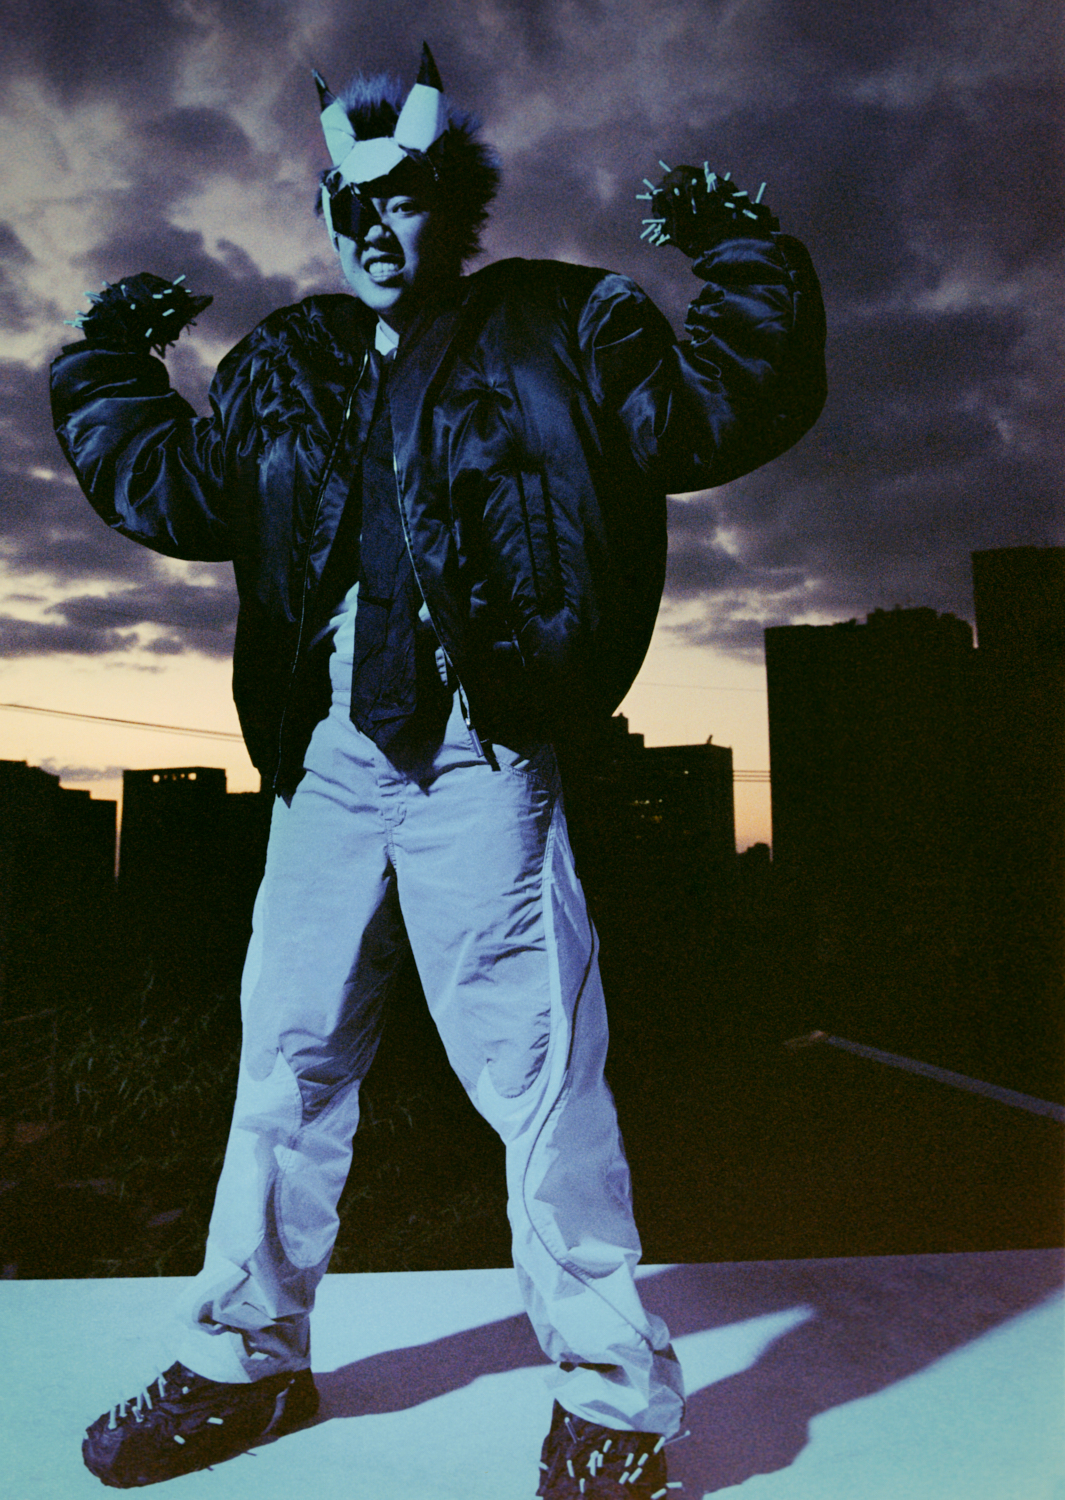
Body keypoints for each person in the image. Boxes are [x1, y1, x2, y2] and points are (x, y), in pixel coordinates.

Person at [50, 43, 825, 1496]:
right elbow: (184, 488)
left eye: (403, 202)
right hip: (327, 761)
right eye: (349, 210)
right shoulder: (283, 359)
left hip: (484, 751)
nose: (374, 232)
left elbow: (707, 413)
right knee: (283, 1067)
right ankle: (244, 1361)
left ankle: (613, 1396)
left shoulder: (563, 322)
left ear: (449, 206)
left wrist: (743, 254)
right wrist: (105, 361)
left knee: (537, 1075)